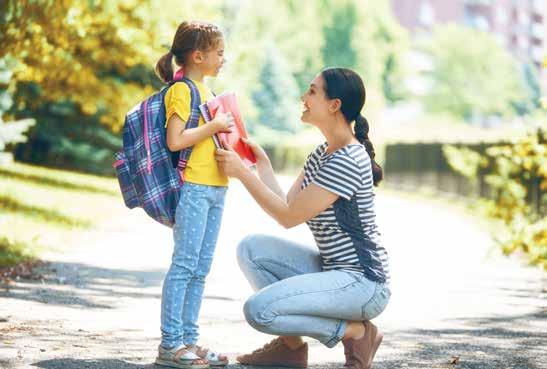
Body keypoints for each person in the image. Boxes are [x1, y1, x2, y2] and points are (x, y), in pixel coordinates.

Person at [215, 68, 391, 369]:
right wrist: (262, 165)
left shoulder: (348, 159)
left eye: (312, 91)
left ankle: (357, 333)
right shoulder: (323, 152)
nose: (303, 97)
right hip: (334, 271)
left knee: (259, 311)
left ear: (334, 105)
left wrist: (242, 174)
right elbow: (286, 204)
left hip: (363, 283)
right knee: (251, 249)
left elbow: (288, 217)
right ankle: (291, 349)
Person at [154, 20, 233, 369]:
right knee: (184, 265)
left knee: (200, 268)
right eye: (219, 52)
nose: (223, 59)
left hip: (217, 187)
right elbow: (176, 140)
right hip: (195, 188)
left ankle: (189, 339)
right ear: (198, 56)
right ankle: (170, 345)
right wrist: (214, 126)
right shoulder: (182, 90)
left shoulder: (211, 94)